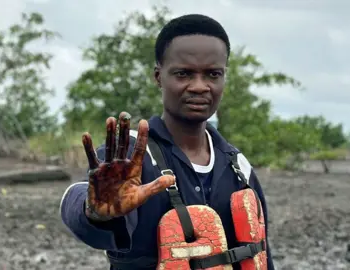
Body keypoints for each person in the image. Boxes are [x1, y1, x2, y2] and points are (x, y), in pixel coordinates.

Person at [60, 14, 274, 270]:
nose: (199, 86)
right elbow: (81, 205)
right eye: (183, 74)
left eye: (213, 74)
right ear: (158, 76)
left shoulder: (238, 166)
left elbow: (262, 253)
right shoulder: (129, 156)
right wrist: (93, 213)